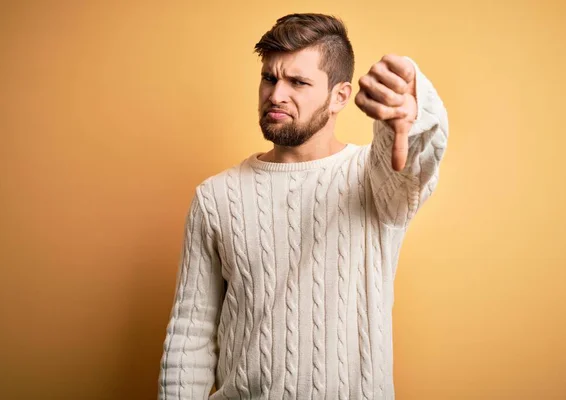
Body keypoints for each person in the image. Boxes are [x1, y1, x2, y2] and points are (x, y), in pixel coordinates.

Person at [158, 12, 448, 400]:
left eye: (298, 82)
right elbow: (190, 337)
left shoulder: (373, 179)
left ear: (340, 96)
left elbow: (414, 165)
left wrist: (416, 112)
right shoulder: (215, 197)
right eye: (269, 78)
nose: (276, 95)